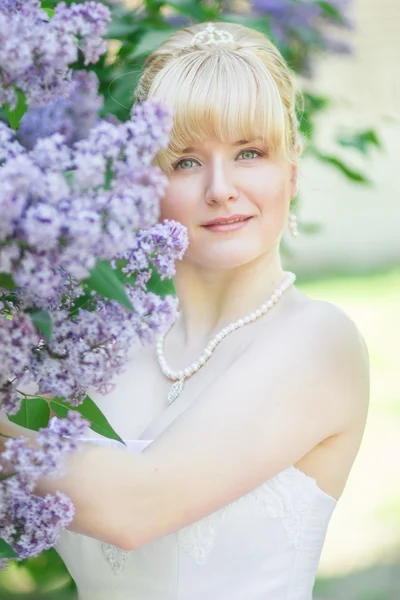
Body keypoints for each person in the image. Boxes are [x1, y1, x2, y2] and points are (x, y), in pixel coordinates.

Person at [1, 21, 370, 600]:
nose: (221, 188)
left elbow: (135, 506)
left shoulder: (320, 342)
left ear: (291, 170)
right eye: (187, 162)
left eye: (250, 153)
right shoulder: (88, 340)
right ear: (145, 182)